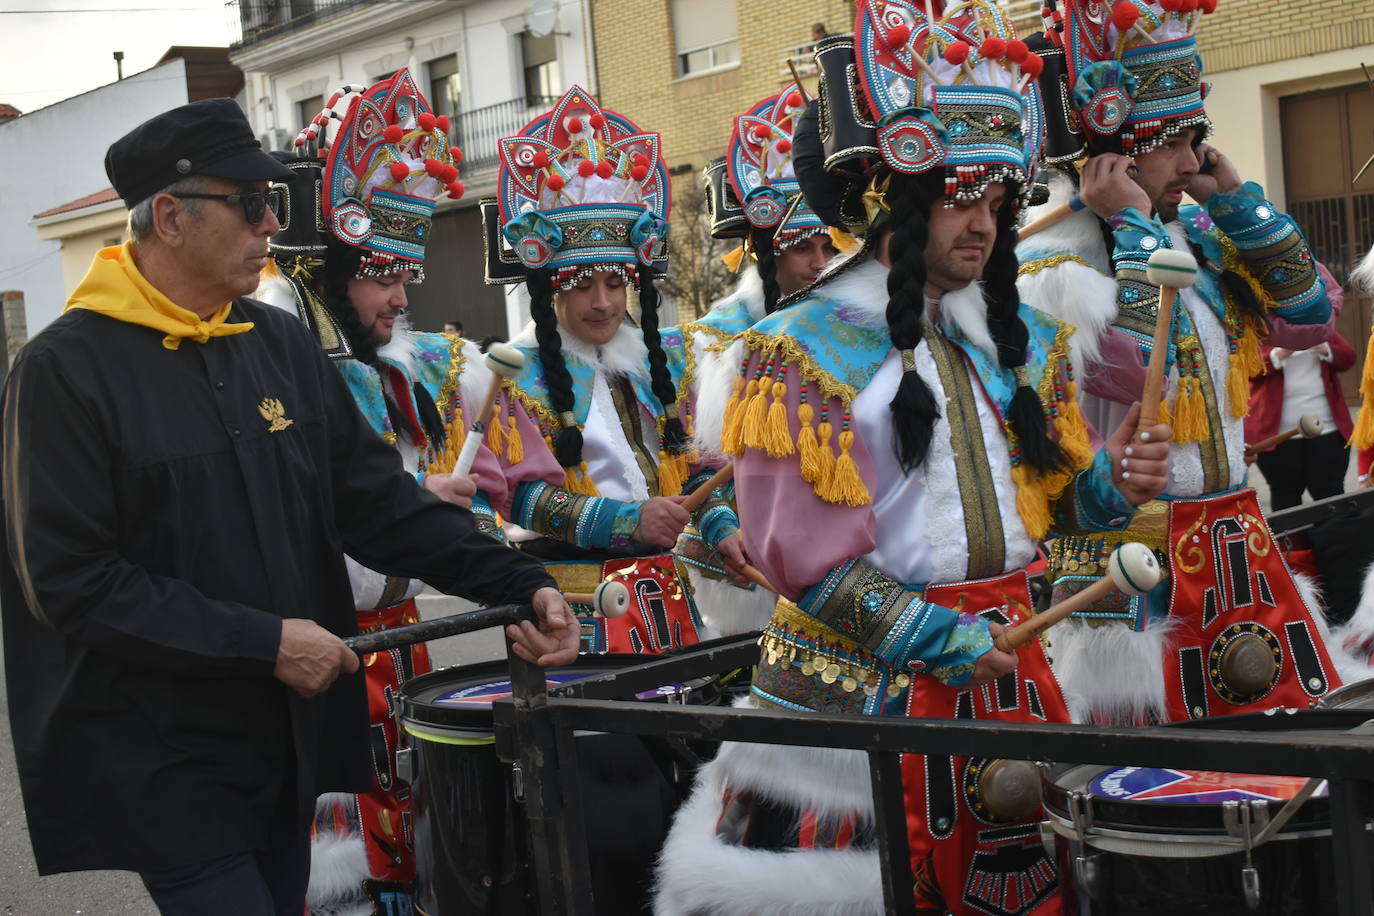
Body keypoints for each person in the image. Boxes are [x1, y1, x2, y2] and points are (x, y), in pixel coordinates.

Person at [0, 98, 577, 916]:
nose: (272, 223)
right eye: (249, 203)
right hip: (164, 755)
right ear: (170, 215)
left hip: (282, 743)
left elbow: (375, 501)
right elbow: (69, 581)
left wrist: (519, 582)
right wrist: (264, 642)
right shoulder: (64, 371)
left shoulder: (275, 344)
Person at [654, 4, 1172, 913]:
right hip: (858, 711)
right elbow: (798, 562)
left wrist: (1111, 485)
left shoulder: (1016, 339)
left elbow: (1050, 509)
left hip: (1009, 677)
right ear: (899, 201)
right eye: (959, 197)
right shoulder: (798, 351)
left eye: (996, 198)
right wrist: (938, 638)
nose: (984, 222)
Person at [1016, 0, 1343, 724]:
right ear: (1116, 155)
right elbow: (1140, 374)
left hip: (1235, 545)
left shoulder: (1197, 232)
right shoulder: (1047, 267)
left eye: (1199, 138)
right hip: (1136, 576)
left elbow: (1313, 310)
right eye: (1176, 141)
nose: (1193, 160)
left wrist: (1233, 202)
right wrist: (1133, 224)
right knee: (1156, 785)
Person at [250, 72, 510, 915]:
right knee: (341, 874)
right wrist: (413, 500)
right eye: (383, 274)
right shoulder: (269, 364)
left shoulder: (409, 363)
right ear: (328, 271)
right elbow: (276, 528)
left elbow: (513, 484)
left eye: (408, 272)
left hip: (401, 647)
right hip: (315, 658)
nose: (404, 296)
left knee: (420, 851)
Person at [480, 86, 709, 656]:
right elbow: (516, 498)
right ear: (549, 289)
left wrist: (722, 524)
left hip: (667, 595)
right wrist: (625, 521)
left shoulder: (661, 361)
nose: (603, 302)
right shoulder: (511, 373)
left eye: (615, 283)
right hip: (569, 605)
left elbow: (695, 471)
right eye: (583, 286)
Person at [683, 82, 847, 636]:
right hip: (748, 557)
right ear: (767, 252)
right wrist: (722, 522)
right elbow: (702, 461)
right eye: (804, 248)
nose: (820, 264)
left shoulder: (849, 324)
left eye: (830, 247)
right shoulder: (718, 340)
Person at [1246, 264, 1357, 510]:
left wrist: (1325, 349)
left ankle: (1332, 548)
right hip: (1278, 433)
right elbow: (1246, 369)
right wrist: (1279, 353)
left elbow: (1348, 357)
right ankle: (1294, 549)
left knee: (1330, 495)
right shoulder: (1261, 328)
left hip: (1326, 427)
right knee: (1286, 499)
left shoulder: (1316, 326)